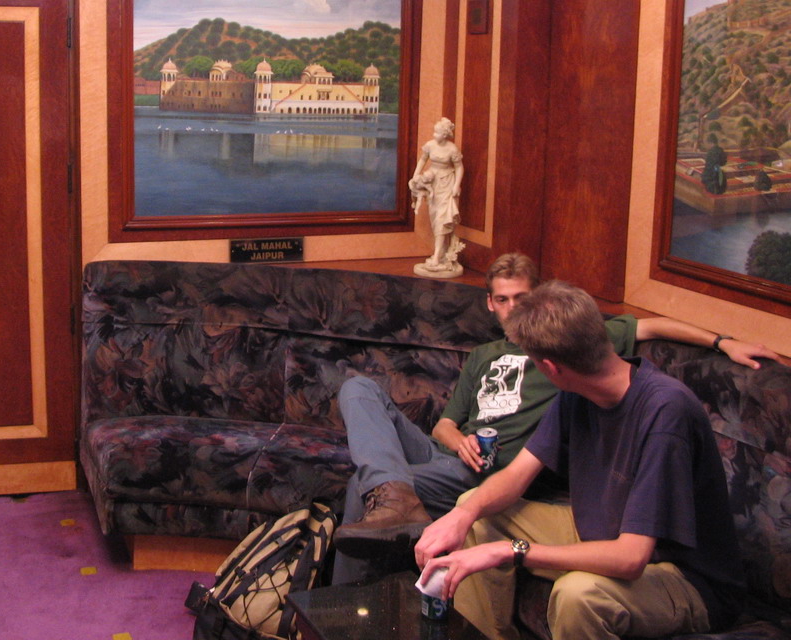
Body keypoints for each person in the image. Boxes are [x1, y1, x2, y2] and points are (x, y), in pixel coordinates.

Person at [332, 252, 778, 583]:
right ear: (489, 303)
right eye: (502, 300)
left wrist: (723, 342)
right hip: (455, 455)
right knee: (357, 387)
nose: (511, 309)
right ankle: (393, 495)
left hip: (502, 471)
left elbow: (655, 326)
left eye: (521, 298)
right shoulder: (490, 357)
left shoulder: (583, 351)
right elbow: (445, 424)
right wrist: (457, 447)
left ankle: (353, 585)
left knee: (367, 483)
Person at [415, 281, 747, 639]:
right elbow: (517, 475)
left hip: (685, 576)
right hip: (603, 530)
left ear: (551, 368)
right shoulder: (577, 391)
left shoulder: (666, 411)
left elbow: (631, 558)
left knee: (578, 595)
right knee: (474, 507)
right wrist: (461, 516)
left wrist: (510, 551)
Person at [410, 117, 464, 277]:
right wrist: (415, 175)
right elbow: (422, 160)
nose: (434, 135)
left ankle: (437, 255)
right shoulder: (430, 145)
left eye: (438, 132)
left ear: (445, 134)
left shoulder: (452, 149)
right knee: (434, 217)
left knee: (442, 218)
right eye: (434, 131)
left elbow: (460, 168)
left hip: (447, 183)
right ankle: (440, 254)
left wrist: (456, 186)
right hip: (432, 182)